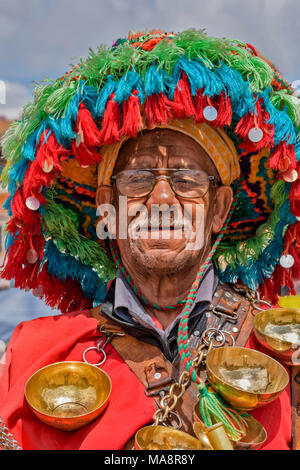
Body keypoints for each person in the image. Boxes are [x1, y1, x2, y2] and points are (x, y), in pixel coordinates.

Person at [0, 29, 299, 450]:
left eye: (186, 179)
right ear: (108, 207)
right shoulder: (38, 353)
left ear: (219, 209)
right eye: (138, 179)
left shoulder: (287, 351)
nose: (160, 198)